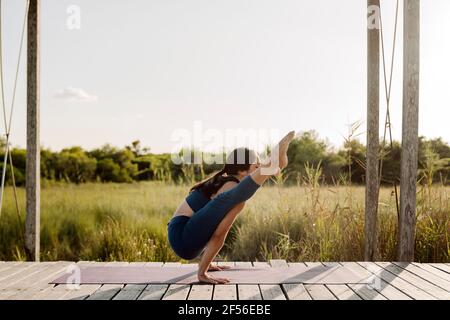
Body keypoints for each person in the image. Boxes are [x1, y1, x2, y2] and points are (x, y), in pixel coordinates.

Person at [167, 131, 295, 284]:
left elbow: (211, 227)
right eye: (256, 165)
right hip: (182, 237)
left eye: (260, 165)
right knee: (239, 197)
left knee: (240, 196)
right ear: (241, 170)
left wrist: (207, 262)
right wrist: (203, 272)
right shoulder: (230, 186)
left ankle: (273, 163)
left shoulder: (227, 184)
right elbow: (219, 234)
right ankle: (272, 162)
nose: (258, 167)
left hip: (187, 239)